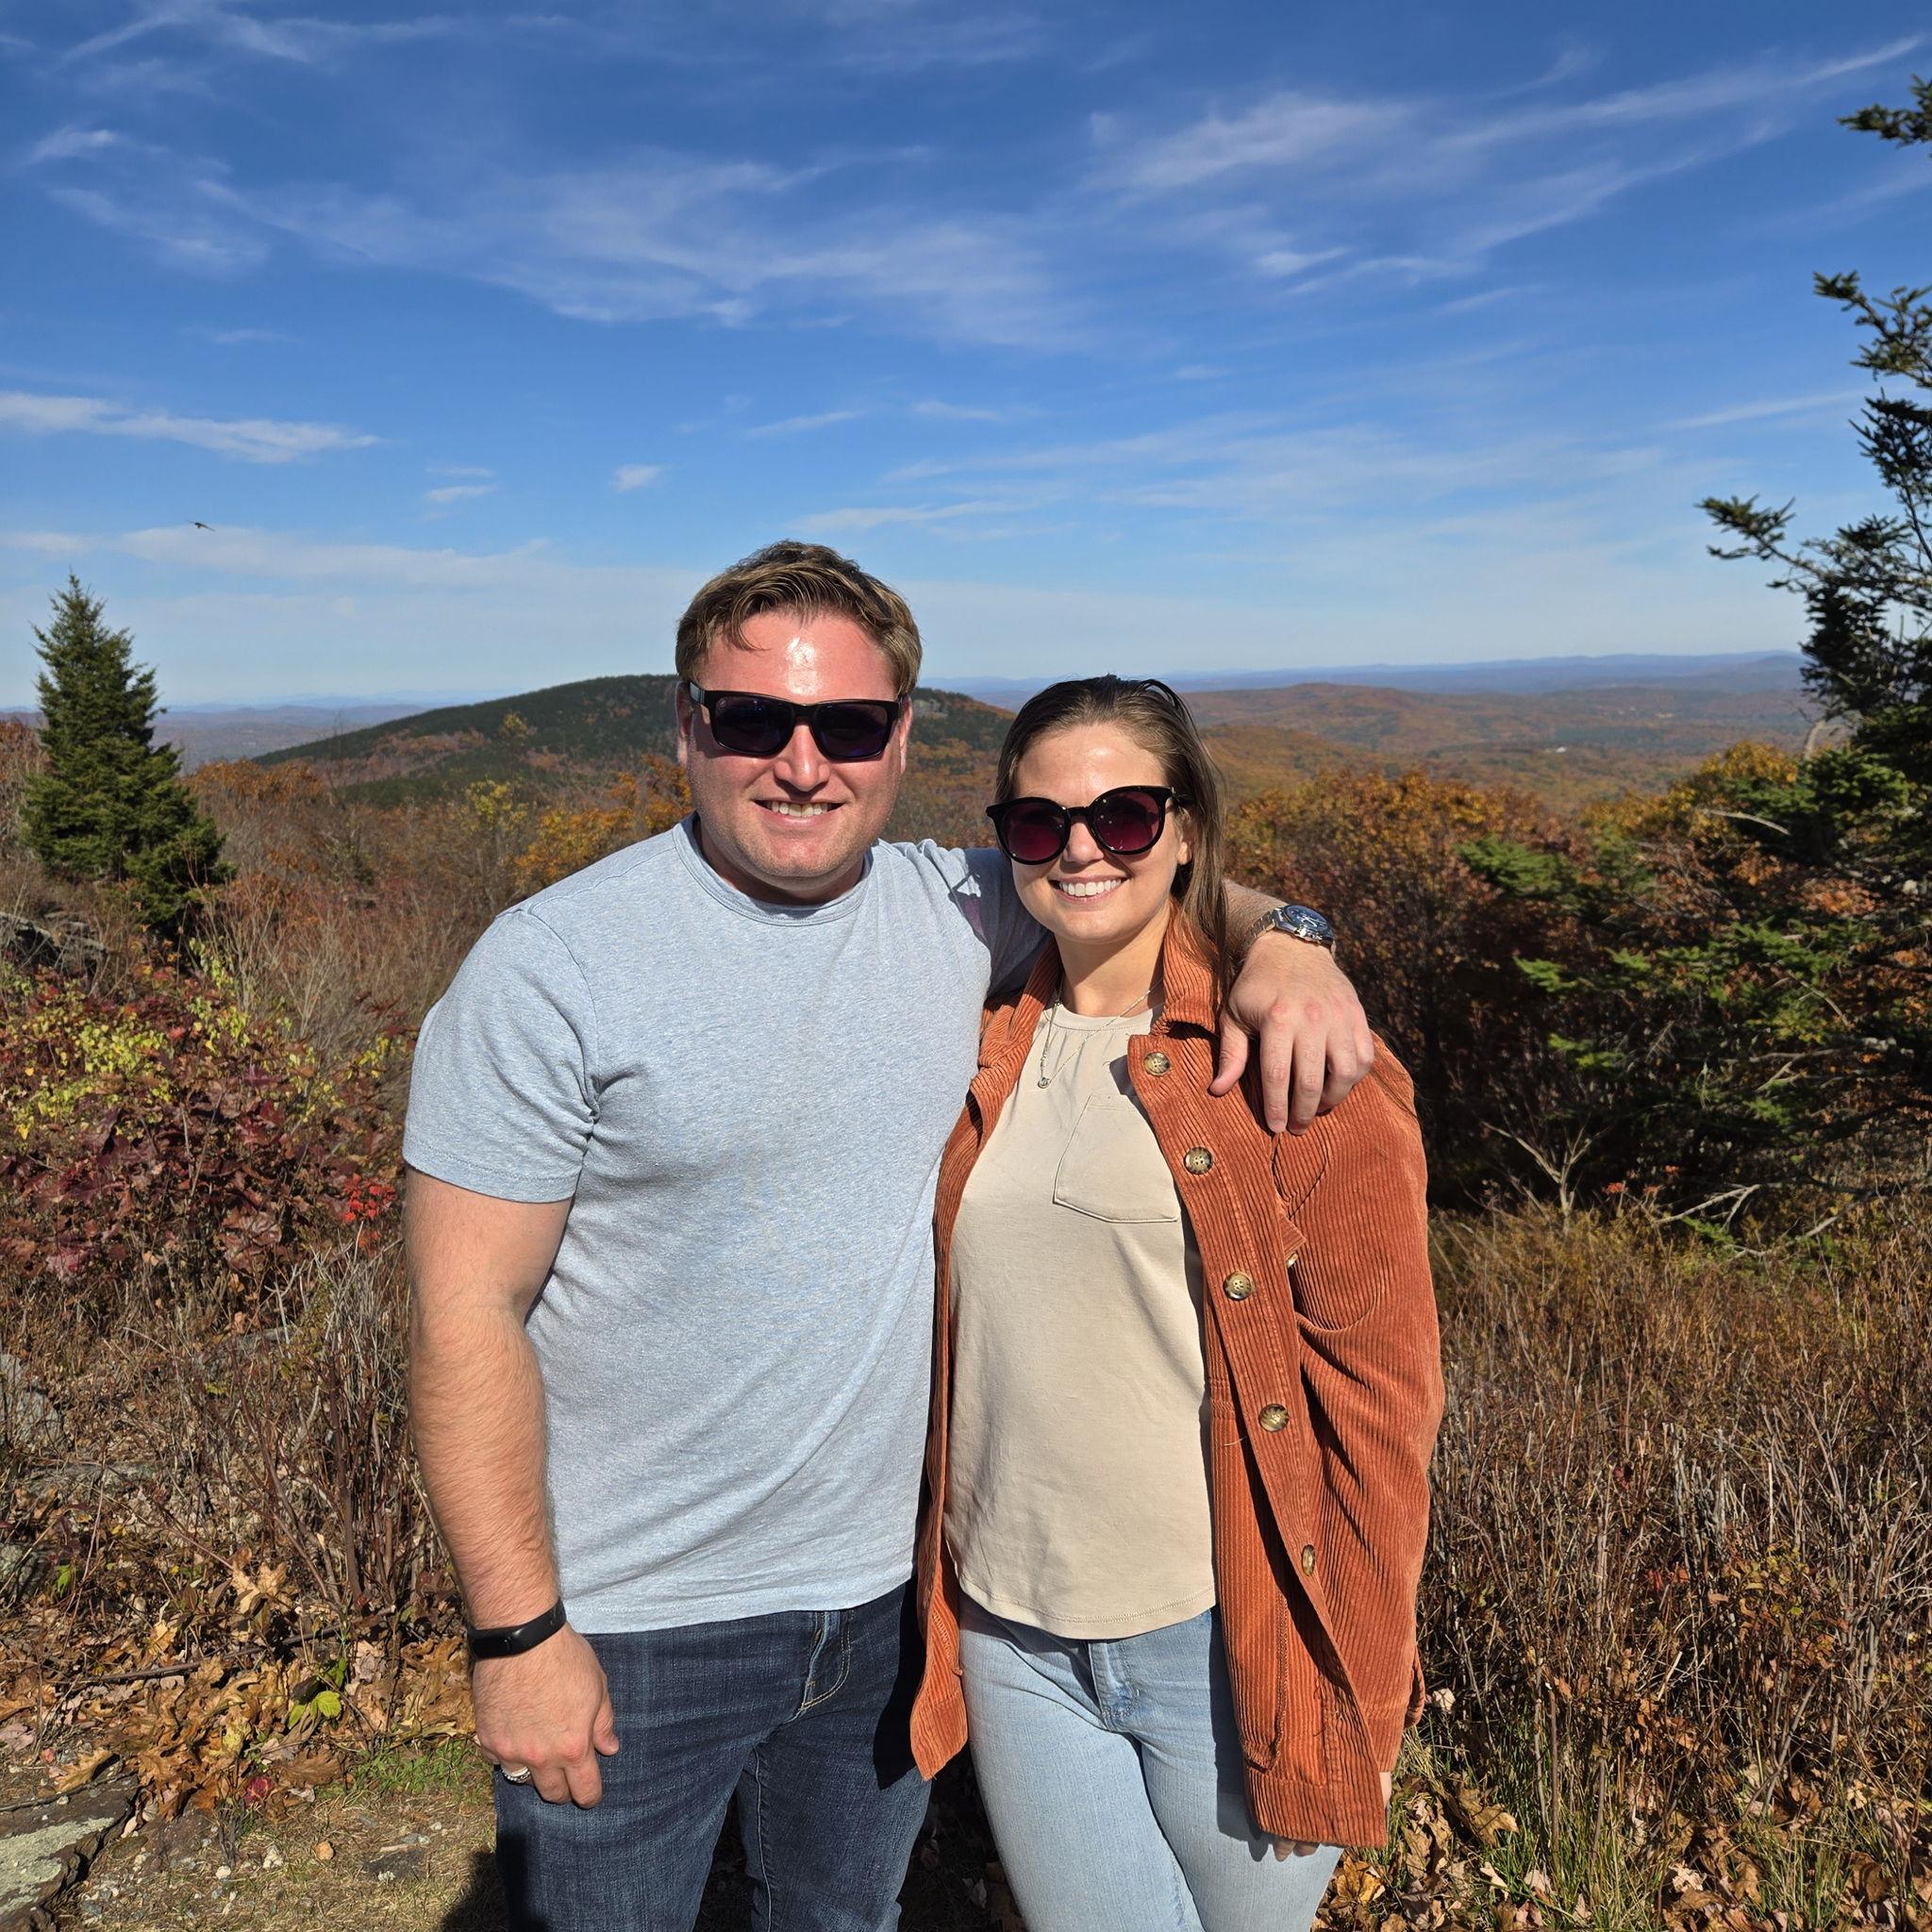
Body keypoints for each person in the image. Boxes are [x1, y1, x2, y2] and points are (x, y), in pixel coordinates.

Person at [404, 543, 1374, 1932]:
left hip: (889, 1616)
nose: (803, 764)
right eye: (753, 721)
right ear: (687, 725)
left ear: (902, 739)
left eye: (849, 726)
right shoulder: (553, 967)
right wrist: (518, 1634)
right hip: (631, 1628)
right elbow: (461, 1315)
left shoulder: (958, 906)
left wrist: (1290, 933)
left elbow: (1126, 872)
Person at [908, 676, 1443, 1932]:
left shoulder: (1293, 1065)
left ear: (1189, 827)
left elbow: (1382, 1403)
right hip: (1010, 1627)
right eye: (1038, 825)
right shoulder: (970, 1036)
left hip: (1221, 1635)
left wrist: (1362, 1666)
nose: (1081, 848)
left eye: (1126, 817)